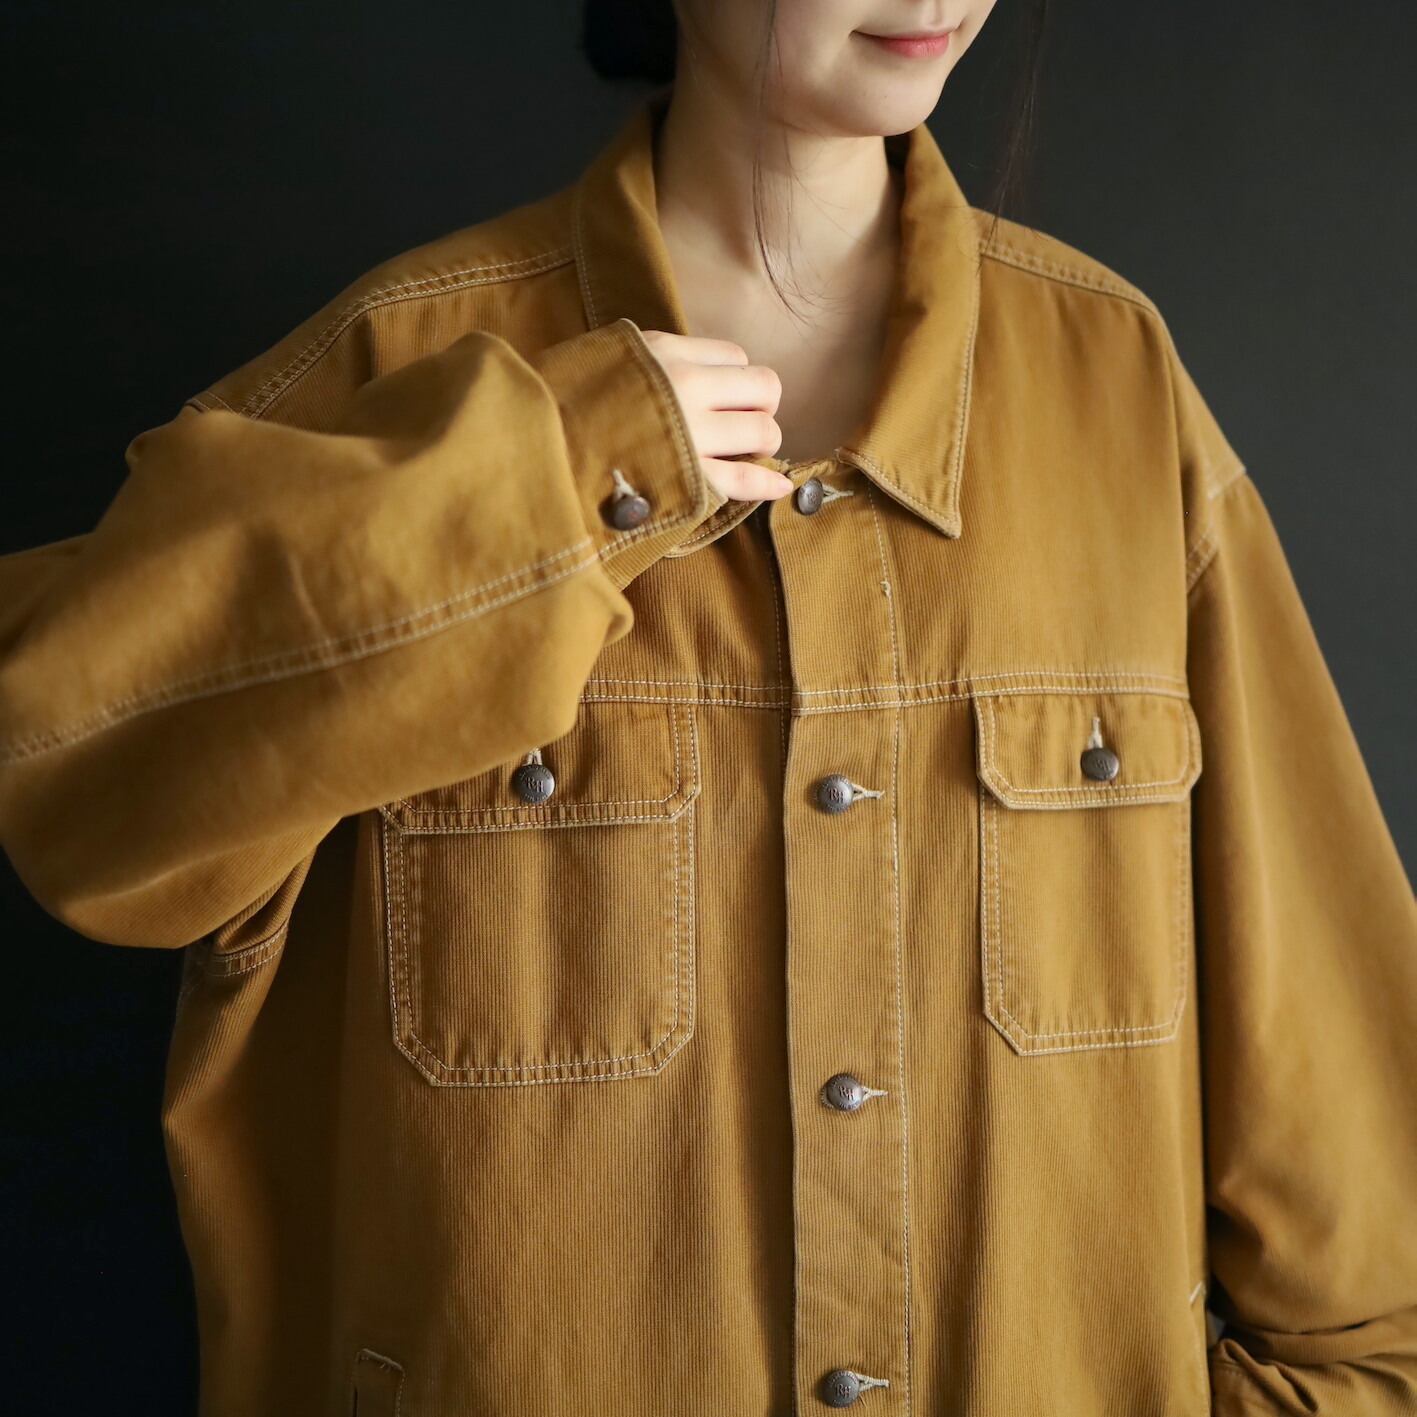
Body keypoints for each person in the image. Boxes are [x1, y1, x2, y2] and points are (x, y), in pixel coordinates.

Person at [1, 1, 1413, 1413]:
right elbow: (61, 767)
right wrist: (538, 487)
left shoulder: (1115, 388)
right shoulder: (398, 361)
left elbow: (1371, 1261)